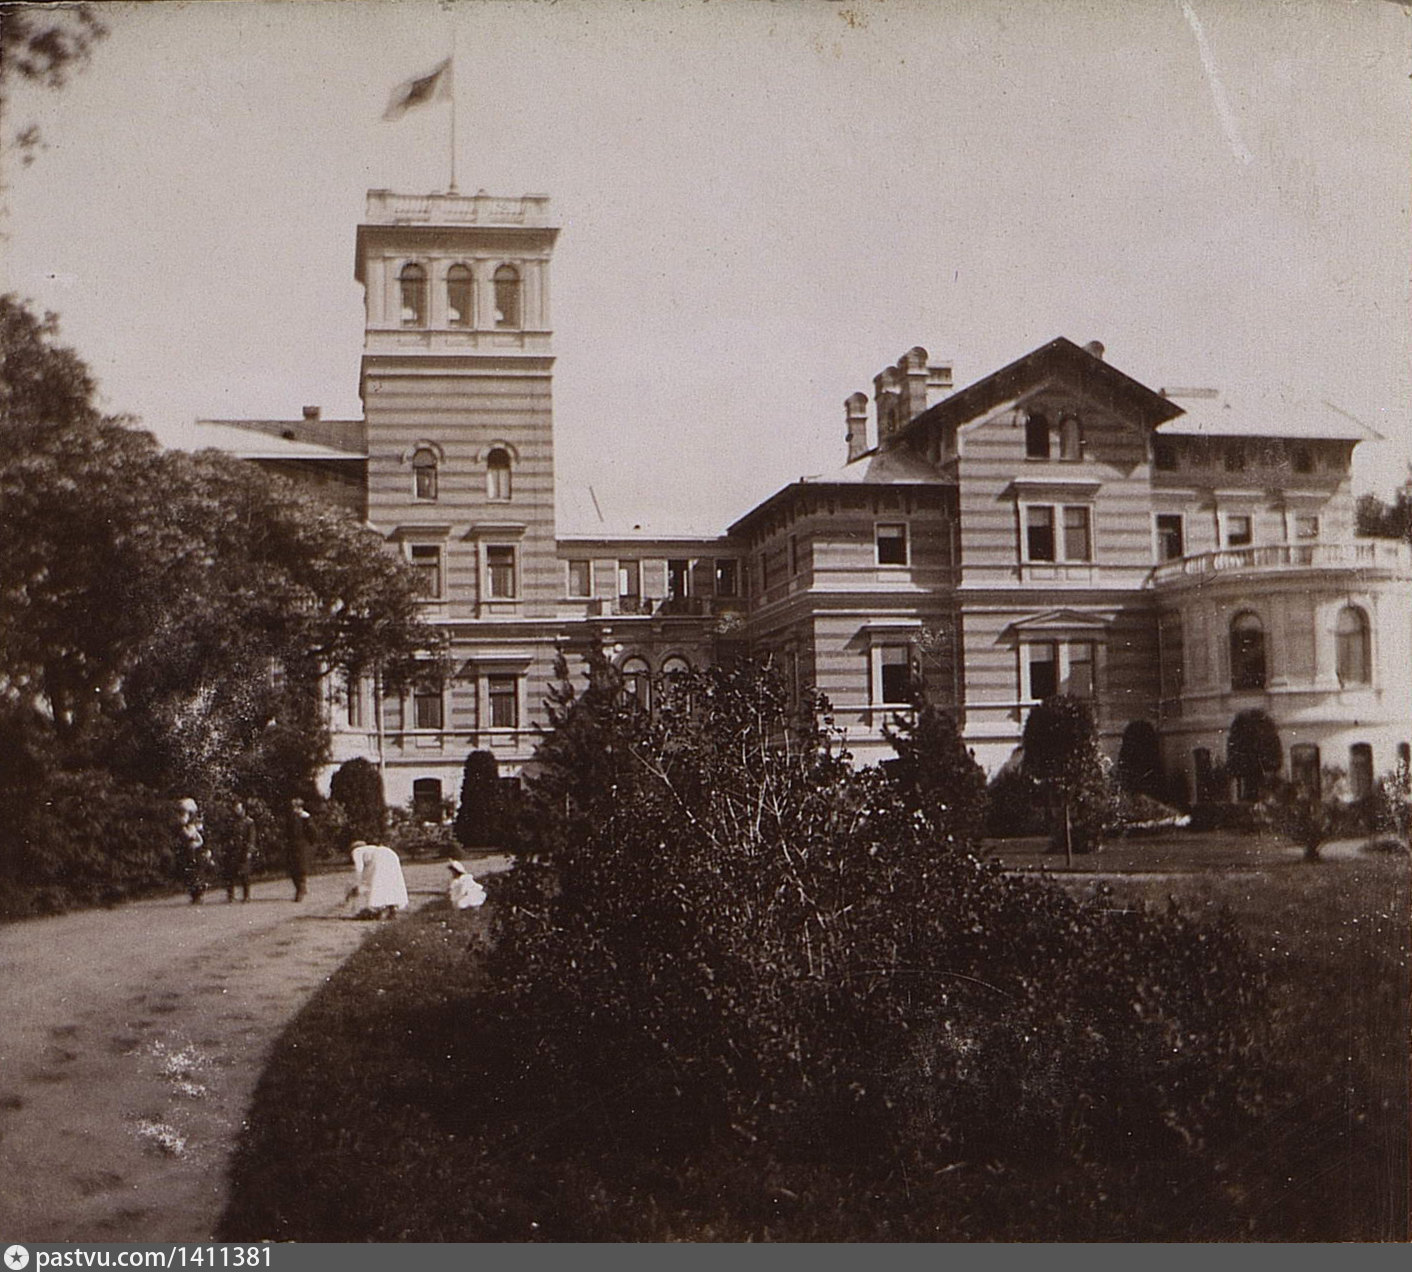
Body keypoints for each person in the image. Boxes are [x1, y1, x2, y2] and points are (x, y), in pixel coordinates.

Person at [349, 840, 409, 920]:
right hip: (391, 854)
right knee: (391, 882)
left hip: (379, 857)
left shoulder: (357, 851)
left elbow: (359, 868)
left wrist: (358, 884)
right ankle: (391, 909)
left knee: (377, 884)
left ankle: (380, 910)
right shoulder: (370, 849)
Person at [176, 797, 211, 905]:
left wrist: (206, 848)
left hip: (197, 850)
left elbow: (203, 837)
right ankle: (194, 894)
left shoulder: (197, 824)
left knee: (198, 872)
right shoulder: (183, 825)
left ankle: (198, 894)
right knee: (191, 873)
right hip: (189, 850)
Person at [222, 800, 257, 903]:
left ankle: (246, 896)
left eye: (238, 808)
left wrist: (249, 851)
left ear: (243, 809)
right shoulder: (231, 822)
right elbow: (226, 835)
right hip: (233, 851)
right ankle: (230, 896)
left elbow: (251, 838)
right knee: (230, 874)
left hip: (243, 850)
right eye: (235, 808)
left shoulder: (249, 822)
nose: (236, 810)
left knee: (244, 874)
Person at [285, 796, 313, 901]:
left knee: (301, 870)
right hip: (292, 846)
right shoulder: (290, 818)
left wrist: (307, 819)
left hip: (302, 847)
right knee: (293, 870)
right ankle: (300, 888)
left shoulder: (305, 818)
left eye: (295, 807)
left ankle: (300, 891)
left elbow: (313, 833)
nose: (294, 809)